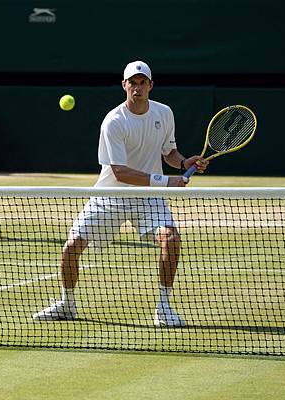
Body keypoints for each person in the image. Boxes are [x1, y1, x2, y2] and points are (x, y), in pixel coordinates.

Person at [32, 61, 208, 327]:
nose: (137, 88)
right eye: (132, 83)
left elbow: (169, 152)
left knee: (171, 240)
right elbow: (121, 173)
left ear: (150, 85)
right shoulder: (114, 121)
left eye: (142, 82)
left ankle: (164, 308)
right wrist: (166, 181)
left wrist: (184, 163)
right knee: (71, 248)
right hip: (110, 196)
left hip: (148, 199)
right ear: (124, 85)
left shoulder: (164, 113)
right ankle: (67, 304)